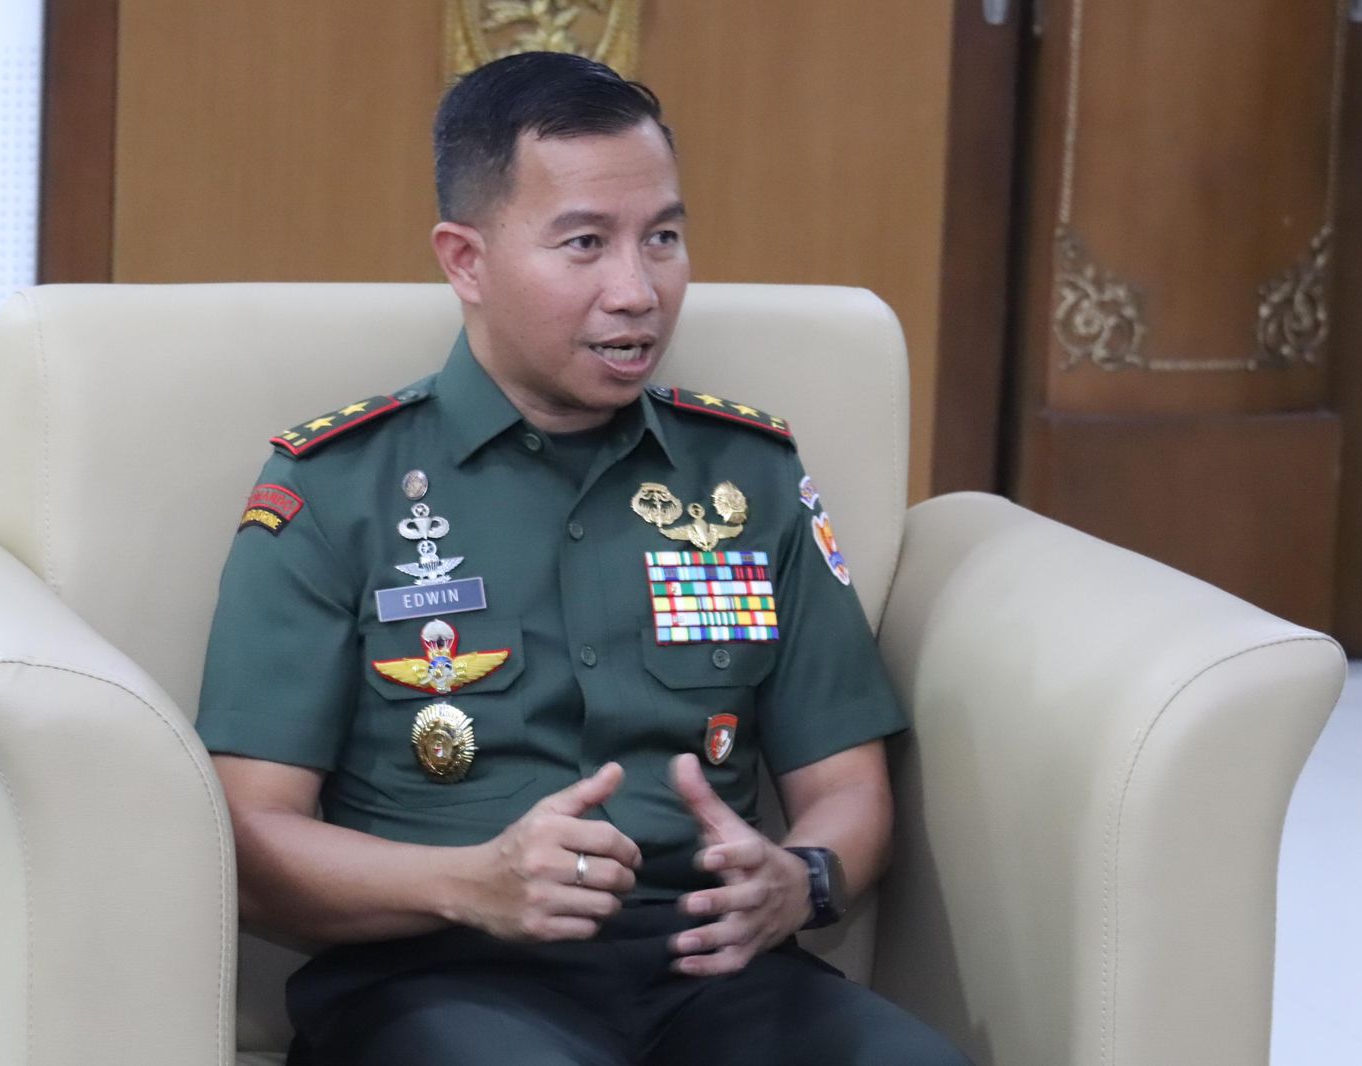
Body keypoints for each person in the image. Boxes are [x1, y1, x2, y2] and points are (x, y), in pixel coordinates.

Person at [196, 51, 968, 1066]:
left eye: (663, 238)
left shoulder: (748, 477)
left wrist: (802, 877)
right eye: (585, 244)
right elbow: (248, 837)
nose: (637, 290)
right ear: (465, 260)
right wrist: (468, 882)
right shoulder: (338, 489)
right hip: (438, 976)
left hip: (715, 973)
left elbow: (849, 787)